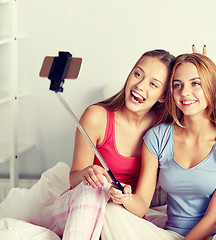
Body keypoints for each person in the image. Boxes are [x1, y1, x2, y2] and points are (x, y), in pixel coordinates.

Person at [102, 53, 216, 240]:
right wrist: (125, 198)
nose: (184, 92)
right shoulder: (157, 137)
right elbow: (142, 203)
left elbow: (213, 218)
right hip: (173, 235)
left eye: (195, 83)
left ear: (212, 87)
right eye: (177, 85)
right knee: (110, 212)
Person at [51, 49, 176, 240]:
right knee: (99, 185)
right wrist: (87, 173)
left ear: (163, 96)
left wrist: (126, 198)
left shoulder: (161, 129)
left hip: (120, 212)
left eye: (153, 84)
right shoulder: (96, 117)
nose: (140, 85)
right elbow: (73, 179)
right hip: (75, 207)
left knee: (111, 208)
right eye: (138, 74)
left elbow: (141, 205)